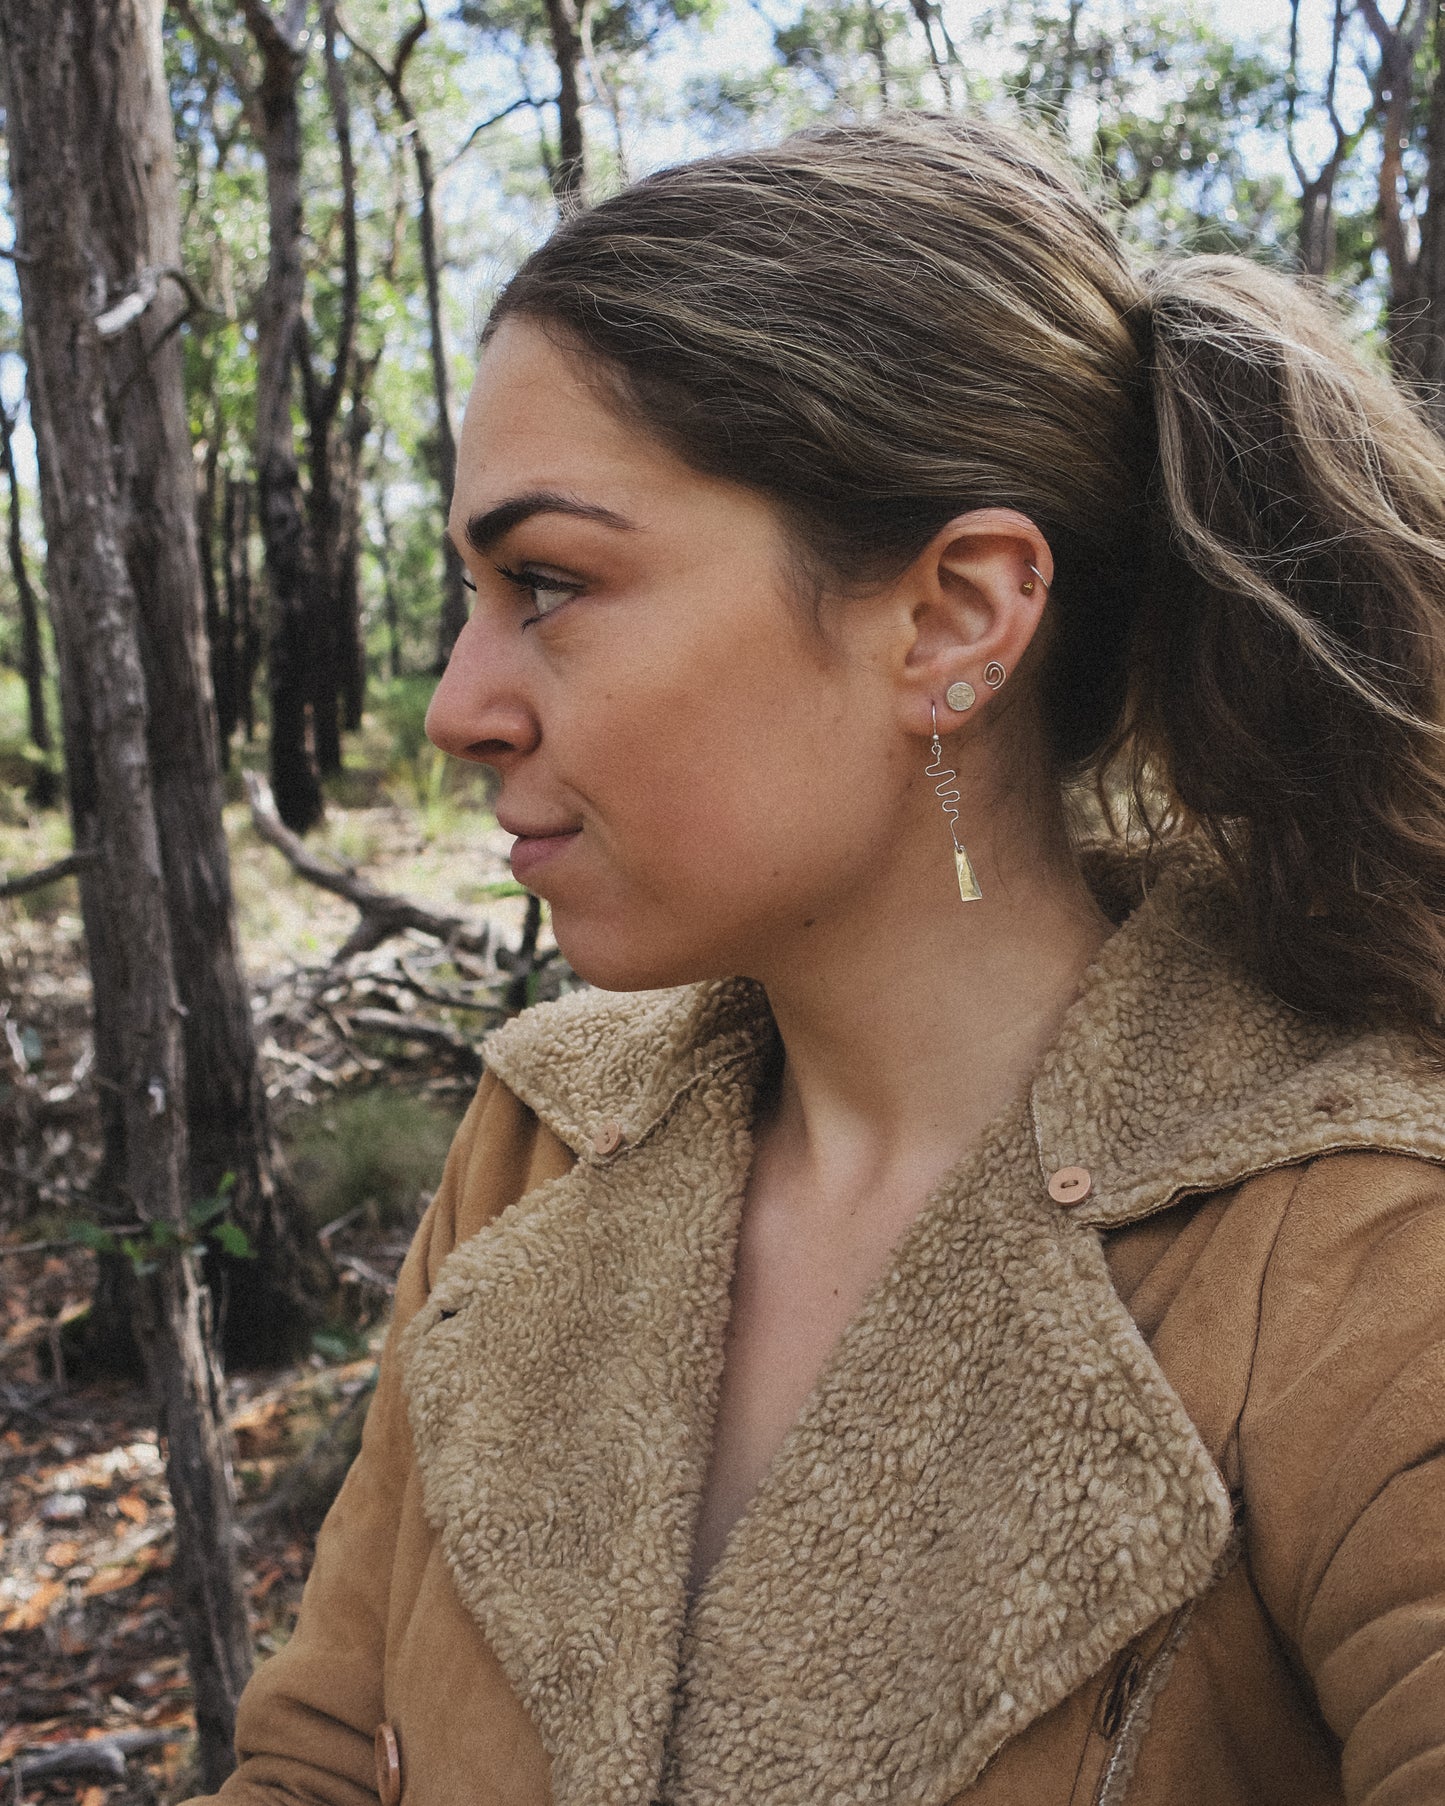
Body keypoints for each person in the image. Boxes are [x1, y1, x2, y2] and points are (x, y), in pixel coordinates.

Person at [194, 113, 1445, 1806]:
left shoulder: (1358, 1253)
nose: (455, 707)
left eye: (548, 582)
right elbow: (321, 1758)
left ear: (950, 620)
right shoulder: (543, 1145)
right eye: (474, 593)